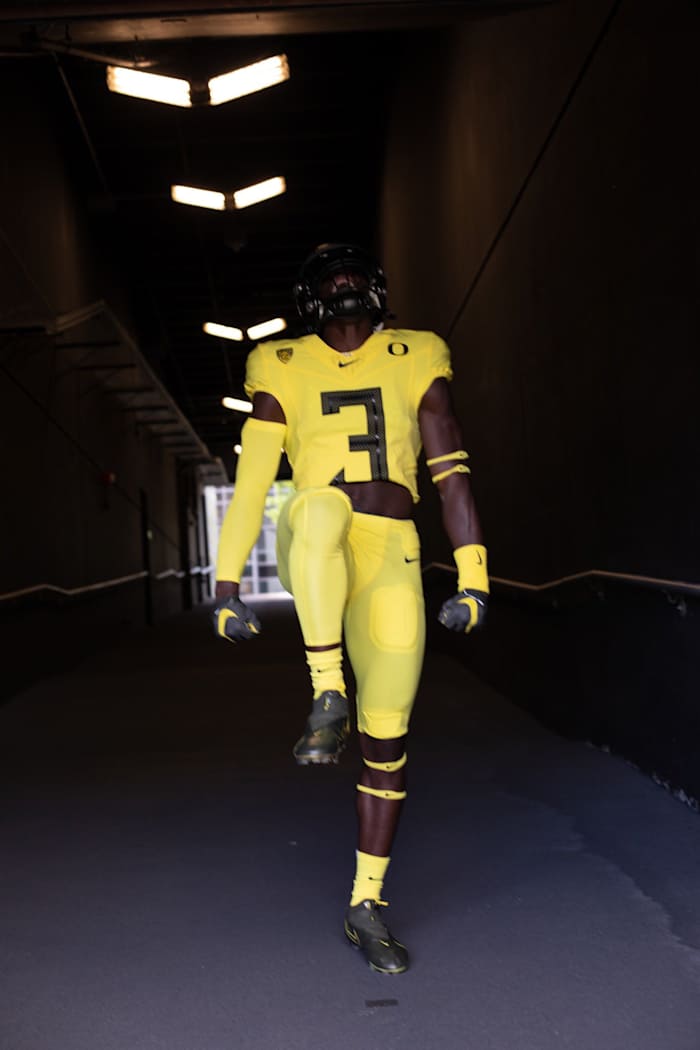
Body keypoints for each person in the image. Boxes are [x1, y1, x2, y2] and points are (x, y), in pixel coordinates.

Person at [213, 243, 488, 975]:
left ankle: (366, 903)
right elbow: (251, 479)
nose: (343, 283)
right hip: (315, 531)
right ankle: (325, 688)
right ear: (308, 296)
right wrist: (226, 583)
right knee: (323, 507)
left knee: (389, 733)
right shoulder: (280, 361)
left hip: (392, 547)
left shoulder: (417, 351)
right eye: (328, 276)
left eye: (353, 273)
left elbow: (449, 464)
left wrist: (473, 575)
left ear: (376, 287)